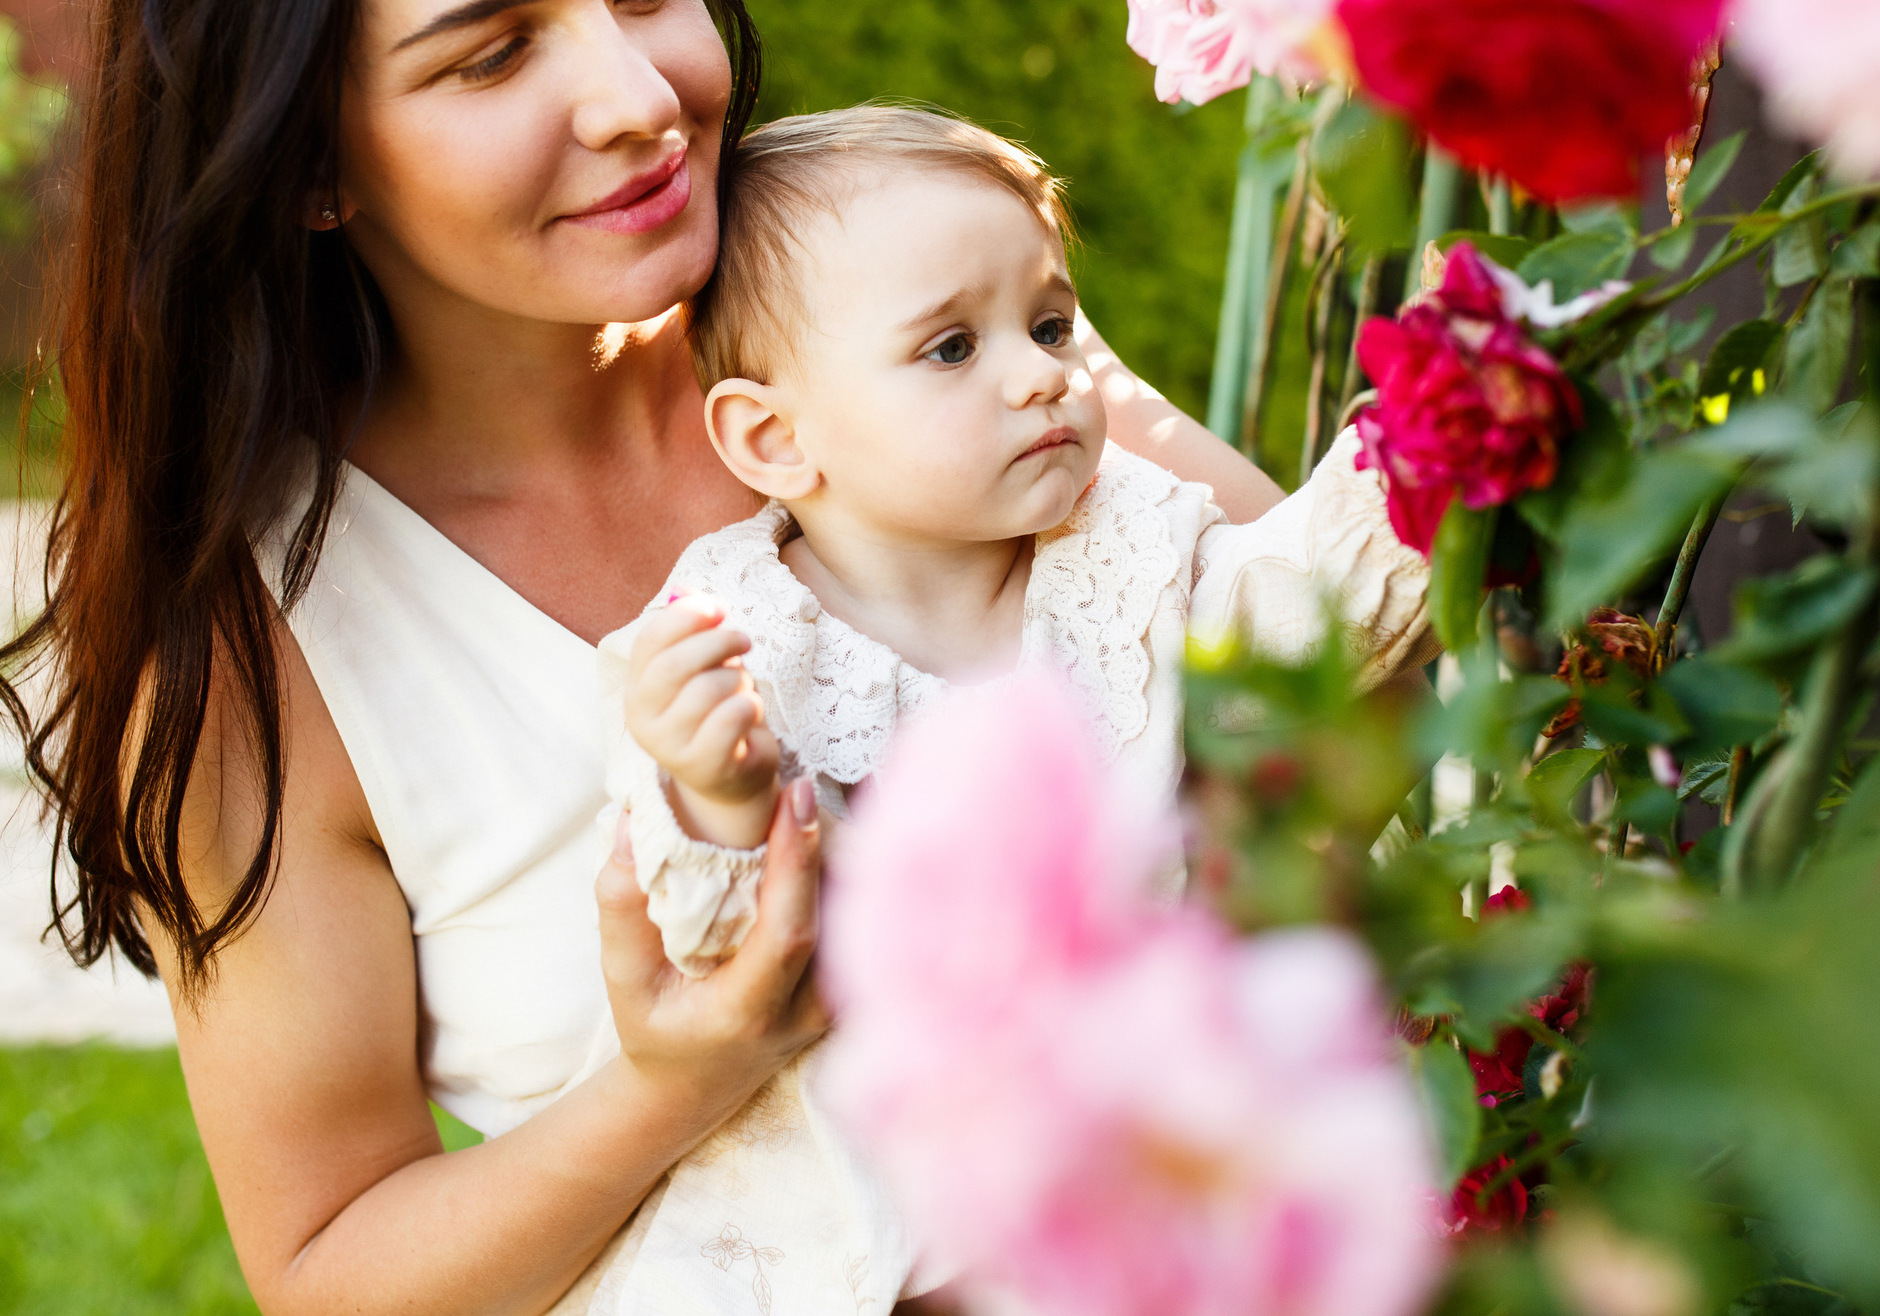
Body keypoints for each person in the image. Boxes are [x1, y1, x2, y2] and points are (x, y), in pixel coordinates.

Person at [0, 0, 1283, 1316]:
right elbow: (329, 1266)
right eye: (492, 53)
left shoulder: (907, 316)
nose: (638, 98)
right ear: (308, 156)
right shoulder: (268, 650)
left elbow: (1346, 638)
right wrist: (679, 1076)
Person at [585, 104, 1435, 1312]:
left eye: (1048, 324)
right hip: (883, 1217)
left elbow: (1297, 615)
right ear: (773, 438)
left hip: (1152, 1158)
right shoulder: (735, 639)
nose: (1043, 374)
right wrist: (717, 793)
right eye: (951, 349)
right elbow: (720, 952)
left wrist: (1418, 445)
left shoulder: (1125, 543)